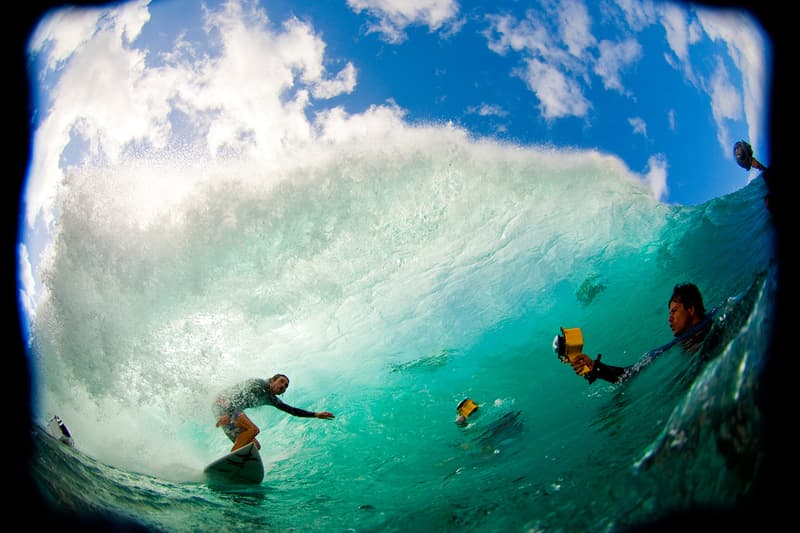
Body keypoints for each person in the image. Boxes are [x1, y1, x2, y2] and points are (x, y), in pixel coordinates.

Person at [568, 283, 710, 384]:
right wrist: (596, 367)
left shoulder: (714, 322)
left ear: (691, 309)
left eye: (674, 311)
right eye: (669, 313)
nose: (670, 318)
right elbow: (627, 374)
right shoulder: (674, 345)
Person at [212, 373, 335, 452]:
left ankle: (234, 460)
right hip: (223, 403)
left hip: (230, 414)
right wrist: (228, 415)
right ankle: (234, 462)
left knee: (253, 447)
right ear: (272, 381)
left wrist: (315, 414)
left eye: (286, 386)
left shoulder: (272, 399)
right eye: (281, 381)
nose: (284, 386)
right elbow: (238, 394)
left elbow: (292, 410)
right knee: (253, 430)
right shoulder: (259, 384)